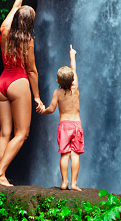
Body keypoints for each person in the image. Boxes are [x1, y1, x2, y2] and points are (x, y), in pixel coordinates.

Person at [0, 0, 43, 187]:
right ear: (30, 23)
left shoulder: (4, 30)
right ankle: (0, 174)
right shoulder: (27, 41)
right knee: (22, 133)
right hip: (18, 82)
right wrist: (37, 97)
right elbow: (31, 70)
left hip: (1, 82)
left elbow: (15, 8)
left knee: (5, 133)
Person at [39, 45, 84, 191]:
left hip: (64, 125)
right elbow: (74, 69)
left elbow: (51, 110)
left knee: (64, 154)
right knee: (75, 154)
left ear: (58, 81)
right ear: (72, 80)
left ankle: (64, 183)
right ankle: (74, 184)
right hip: (76, 124)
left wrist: (42, 110)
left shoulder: (57, 93)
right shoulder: (75, 88)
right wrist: (72, 55)